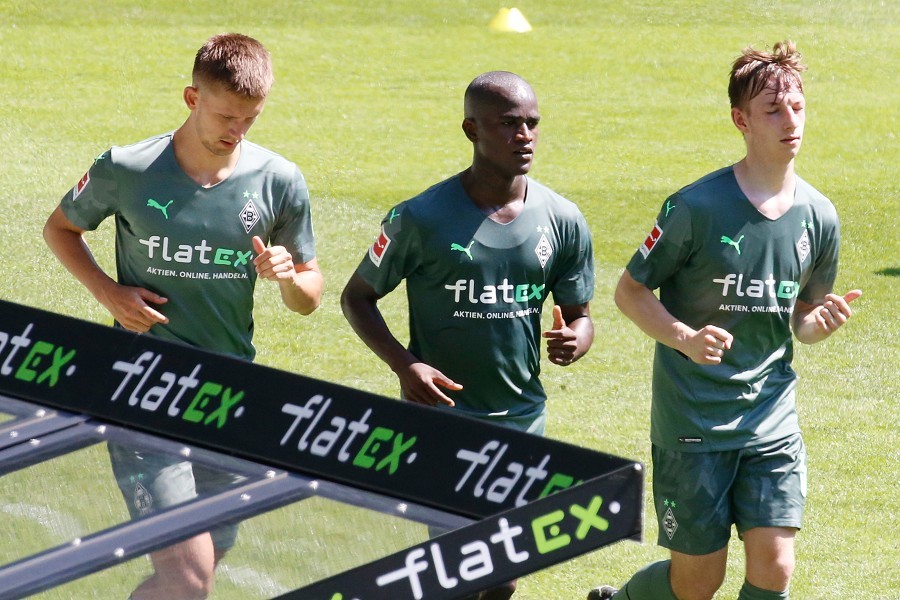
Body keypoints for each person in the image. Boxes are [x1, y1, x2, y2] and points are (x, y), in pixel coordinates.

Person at [43, 33, 322, 599]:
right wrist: (107, 293)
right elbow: (61, 229)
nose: (236, 131)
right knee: (190, 577)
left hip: (229, 394)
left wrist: (289, 277)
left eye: (250, 119)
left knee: (193, 575)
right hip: (142, 388)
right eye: (225, 115)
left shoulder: (279, 180)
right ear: (192, 98)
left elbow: (310, 295)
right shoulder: (128, 168)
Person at [588, 41, 861, 600]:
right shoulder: (694, 207)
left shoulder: (820, 215)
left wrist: (819, 323)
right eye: (773, 111)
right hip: (694, 421)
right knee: (696, 582)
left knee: (776, 566)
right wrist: (684, 338)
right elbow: (630, 290)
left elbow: (802, 319)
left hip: (770, 419)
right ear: (741, 120)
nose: (792, 121)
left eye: (798, 107)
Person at [341, 71, 595, 599]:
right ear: (470, 129)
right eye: (508, 124)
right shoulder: (419, 217)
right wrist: (404, 364)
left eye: (531, 124)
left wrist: (578, 337)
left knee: (503, 572)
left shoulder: (564, 220)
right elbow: (356, 296)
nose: (524, 136)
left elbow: (579, 313)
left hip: (523, 416)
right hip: (445, 419)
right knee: (457, 565)